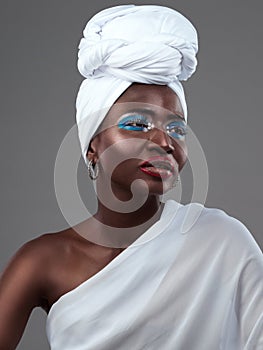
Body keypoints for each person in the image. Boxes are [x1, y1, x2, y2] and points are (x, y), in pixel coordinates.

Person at [0, 4, 262, 350]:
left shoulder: (222, 242)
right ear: (93, 146)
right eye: (137, 125)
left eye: (177, 128)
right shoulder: (42, 261)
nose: (164, 141)